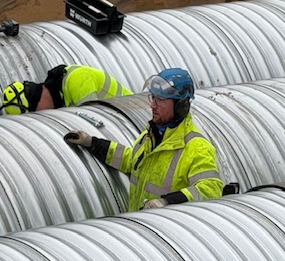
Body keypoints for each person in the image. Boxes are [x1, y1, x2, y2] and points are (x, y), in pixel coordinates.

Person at [64, 67, 223, 212]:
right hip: (140, 226)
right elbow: (131, 161)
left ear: (180, 105)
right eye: (152, 98)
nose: (152, 105)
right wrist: (92, 143)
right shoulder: (149, 136)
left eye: (160, 100)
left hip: (166, 233)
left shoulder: (196, 147)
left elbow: (210, 188)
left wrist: (167, 202)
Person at [0, 63, 131, 114]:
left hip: (136, 116)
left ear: (37, 100)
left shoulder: (77, 80)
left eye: (35, 112)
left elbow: (94, 120)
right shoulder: (62, 96)